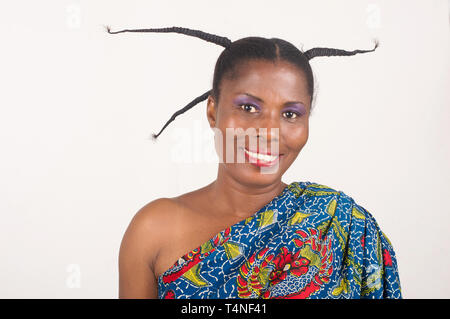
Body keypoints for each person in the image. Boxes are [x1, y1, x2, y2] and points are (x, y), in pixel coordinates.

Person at [108, 26, 402, 299]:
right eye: (248, 107)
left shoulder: (345, 225)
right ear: (213, 111)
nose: (269, 132)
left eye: (290, 114)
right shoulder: (153, 229)